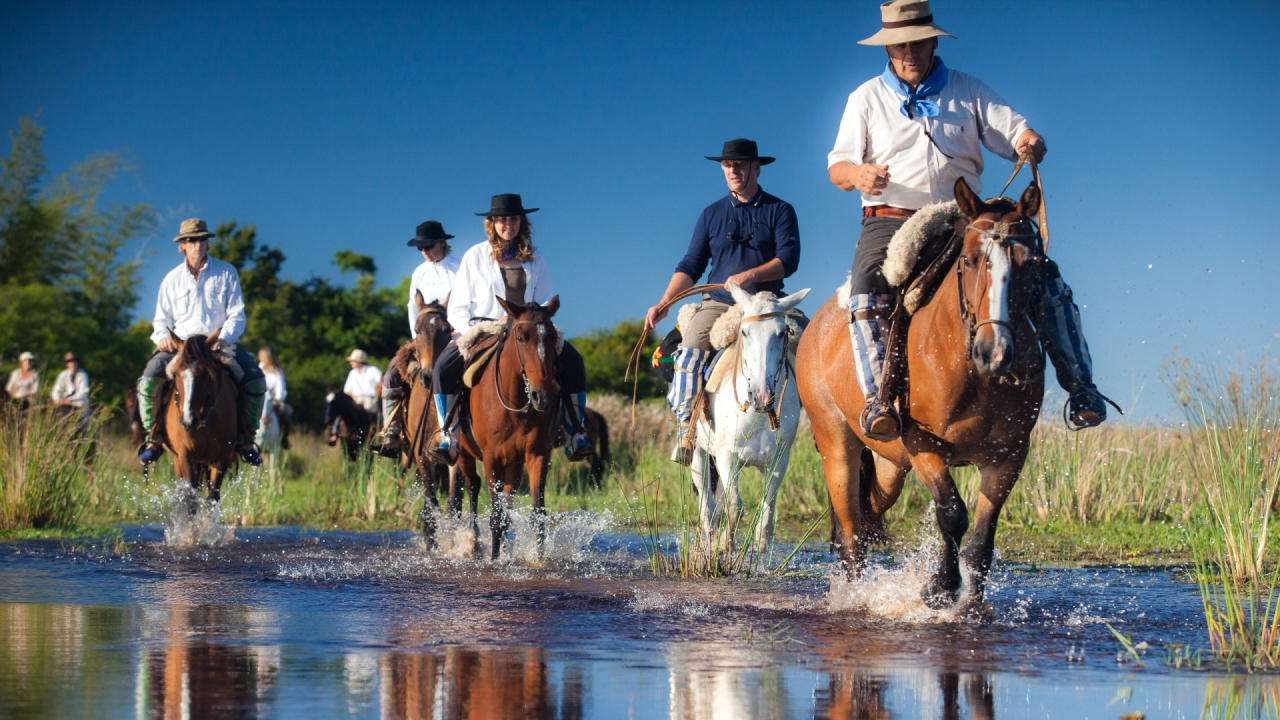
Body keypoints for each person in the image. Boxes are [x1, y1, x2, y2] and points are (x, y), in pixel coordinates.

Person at [826, 0, 1106, 440]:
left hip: (964, 216)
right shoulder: (865, 98)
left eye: (918, 43)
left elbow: (1014, 131)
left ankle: (1082, 388)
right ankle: (879, 399)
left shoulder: (967, 89)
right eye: (900, 46)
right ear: (888, 50)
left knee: (1042, 274)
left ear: (934, 41)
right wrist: (858, 173)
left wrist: (1029, 141)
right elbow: (837, 168)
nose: (910, 54)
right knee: (866, 286)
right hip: (891, 218)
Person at [644, 139, 801, 465]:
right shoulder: (710, 214)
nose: (734, 170)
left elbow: (788, 259)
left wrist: (749, 276)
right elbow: (690, 265)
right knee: (688, 351)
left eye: (741, 165)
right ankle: (687, 431)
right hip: (717, 303)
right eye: (728, 165)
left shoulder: (780, 210)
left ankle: (828, 425)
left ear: (756, 169)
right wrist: (664, 302)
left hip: (766, 302)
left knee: (812, 344)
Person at [431, 193, 591, 462]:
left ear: (521, 222)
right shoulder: (474, 256)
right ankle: (448, 436)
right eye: (502, 219)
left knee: (574, 362)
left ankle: (576, 433)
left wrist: (532, 320)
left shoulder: (535, 256)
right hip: (484, 330)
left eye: (514, 219)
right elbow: (457, 308)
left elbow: (543, 299)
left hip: (528, 331)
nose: (509, 224)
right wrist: (478, 329)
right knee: (442, 368)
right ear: (492, 223)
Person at [136, 218, 266, 466]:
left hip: (217, 344)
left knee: (256, 381)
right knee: (148, 381)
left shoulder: (226, 272)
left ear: (208, 243)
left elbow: (237, 313)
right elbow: (161, 319)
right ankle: (152, 436)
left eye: (202, 239)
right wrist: (163, 337)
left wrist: (224, 337)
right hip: (181, 346)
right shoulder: (171, 280)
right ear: (182, 245)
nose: (197, 245)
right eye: (191, 240)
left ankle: (247, 439)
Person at [373, 221, 460, 457]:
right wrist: (417, 341)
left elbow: (464, 305)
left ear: (442, 243)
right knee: (392, 373)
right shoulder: (419, 273)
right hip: (423, 338)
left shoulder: (459, 268)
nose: (425, 251)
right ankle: (391, 432)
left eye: (429, 246)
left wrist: (455, 331)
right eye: (421, 248)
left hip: (452, 335)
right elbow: (413, 309)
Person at [257, 346, 292, 450]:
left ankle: (284, 438)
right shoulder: (260, 367)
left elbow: (281, 387)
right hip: (259, 398)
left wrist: (277, 399)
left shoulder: (277, 370)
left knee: (287, 413)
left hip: (273, 400)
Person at [50, 352, 91, 429]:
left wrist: (70, 400)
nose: (73, 364)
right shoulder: (63, 375)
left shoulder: (83, 375)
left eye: (74, 361)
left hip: (79, 404)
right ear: (67, 364)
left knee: (84, 423)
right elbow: (56, 390)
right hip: (63, 404)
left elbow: (83, 393)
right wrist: (57, 399)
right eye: (70, 362)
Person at [343, 349, 382, 423]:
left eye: (352, 361)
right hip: (356, 399)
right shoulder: (352, 373)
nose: (350, 363)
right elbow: (347, 390)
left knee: (369, 409)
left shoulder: (373, 370)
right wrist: (354, 397)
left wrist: (376, 397)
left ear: (358, 361)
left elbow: (381, 382)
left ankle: (372, 427)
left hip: (370, 399)